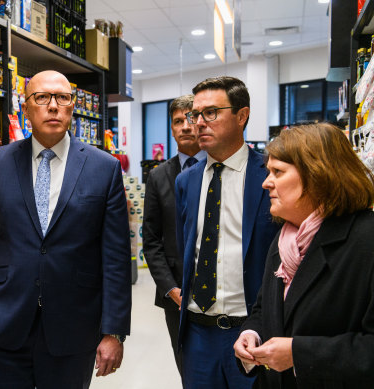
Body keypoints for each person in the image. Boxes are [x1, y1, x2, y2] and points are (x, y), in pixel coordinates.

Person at [0, 70, 132, 389]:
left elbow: (115, 257)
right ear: (26, 109)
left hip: (74, 328)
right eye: (41, 98)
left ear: (72, 106)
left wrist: (113, 331)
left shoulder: (104, 167)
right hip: (3, 325)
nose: (53, 106)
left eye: (62, 97)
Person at [234, 123, 374, 388]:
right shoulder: (285, 239)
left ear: (317, 175)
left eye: (278, 172)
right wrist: (252, 334)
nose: (266, 183)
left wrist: (299, 354)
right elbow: (266, 308)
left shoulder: (365, 241)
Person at [174, 76, 280, 389]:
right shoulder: (187, 181)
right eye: (195, 114)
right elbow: (187, 250)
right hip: (197, 333)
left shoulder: (270, 175)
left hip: (251, 333)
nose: (198, 123)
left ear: (242, 115)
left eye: (211, 113)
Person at [143, 94, 205, 375]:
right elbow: (152, 240)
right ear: (171, 128)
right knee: (187, 367)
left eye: (191, 119)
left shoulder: (217, 168)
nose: (185, 126)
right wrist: (170, 288)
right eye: (178, 121)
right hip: (175, 294)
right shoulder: (158, 177)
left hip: (220, 291)